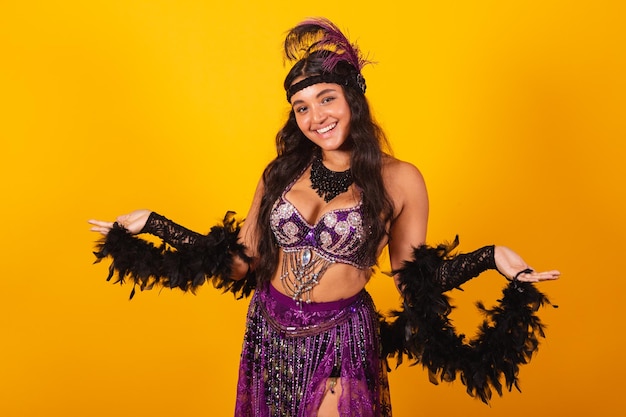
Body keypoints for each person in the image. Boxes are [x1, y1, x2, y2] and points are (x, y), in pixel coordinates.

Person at [88, 18, 560, 417]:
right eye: (302, 107)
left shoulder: (400, 180)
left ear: (352, 99)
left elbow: (412, 278)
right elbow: (239, 262)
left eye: (327, 98)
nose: (316, 116)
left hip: (340, 339)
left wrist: (490, 257)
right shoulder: (279, 173)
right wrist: (155, 224)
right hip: (268, 332)